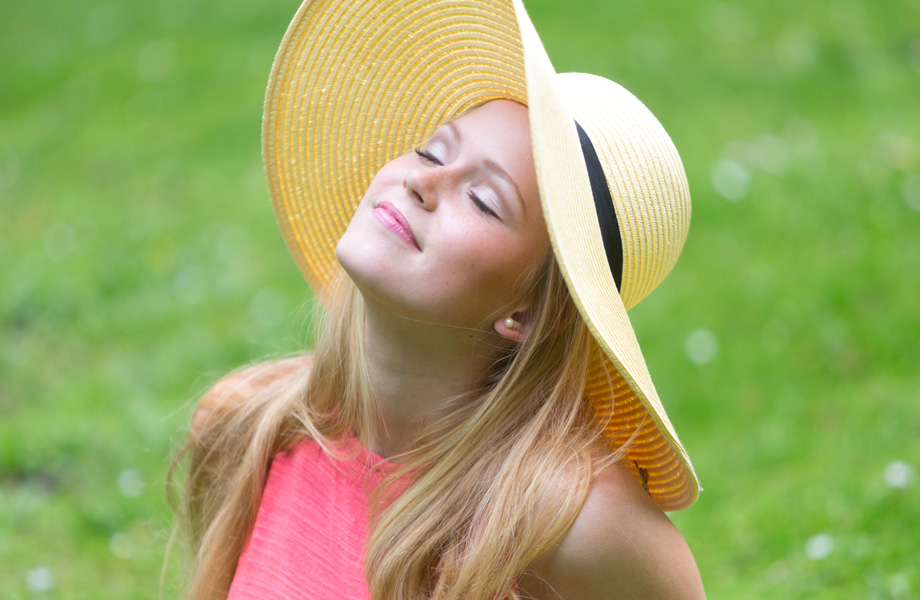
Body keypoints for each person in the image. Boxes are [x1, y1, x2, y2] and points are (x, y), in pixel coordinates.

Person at [170, 0, 706, 598]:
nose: (422, 181)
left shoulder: (574, 528)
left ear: (526, 315)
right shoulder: (247, 427)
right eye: (432, 150)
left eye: (483, 199)